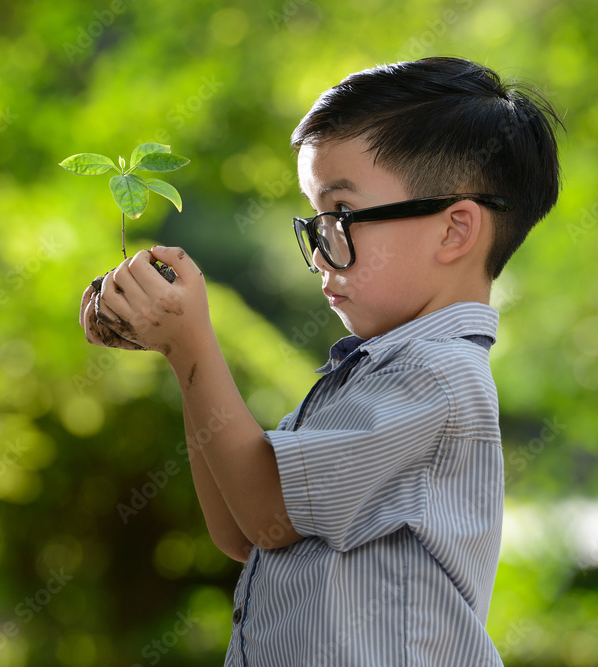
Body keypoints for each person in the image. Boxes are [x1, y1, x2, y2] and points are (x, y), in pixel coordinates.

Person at [79, 56, 562, 665]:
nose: (321, 254)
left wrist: (191, 342)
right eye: (315, 222)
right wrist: (181, 355)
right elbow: (241, 530)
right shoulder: (374, 371)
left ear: (454, 232)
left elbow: (264, 512)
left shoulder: (433, 378)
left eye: (340, 217)